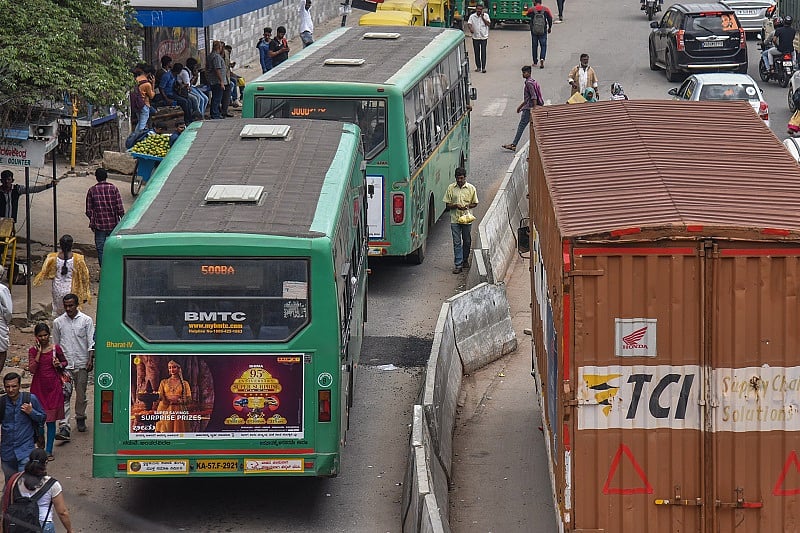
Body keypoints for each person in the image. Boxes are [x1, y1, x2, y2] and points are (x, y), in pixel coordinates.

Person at [53, 294, 95, 439]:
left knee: (81, 394)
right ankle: (64, 426)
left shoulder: (86, 321)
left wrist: (90, 359)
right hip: (65, 366)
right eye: (66, 306)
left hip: (82, 363)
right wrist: (57, 363)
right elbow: (56, 345)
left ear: (76, 305)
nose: (68, 308)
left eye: (71, 305)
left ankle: (80, 417)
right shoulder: (58, 322)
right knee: (64, 395)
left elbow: (91, 342)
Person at [2, 448, 74, 533]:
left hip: (21, 525)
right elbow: (62, 512)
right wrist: (69, 530)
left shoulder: (16, 480)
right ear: (46, 462)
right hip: (43, 526)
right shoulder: (53, 485)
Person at [28, 324, 67, 460]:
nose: (43, 338)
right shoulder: (32, 351)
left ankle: (49, 450)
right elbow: (32, 369)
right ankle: (41, 447)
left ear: (49, 335)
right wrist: (39, 353)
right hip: (38, 390)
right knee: (39, 422)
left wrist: (59, 364)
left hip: (53, 388)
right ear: (36, 337)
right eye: (40, 336)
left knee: (51, 421)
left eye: (45, 335)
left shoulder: (56, 349)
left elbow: (65, 362)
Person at [0, 372, 45, 481]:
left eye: (14, 386)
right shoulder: (2, 403)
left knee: (24, 483)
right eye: (8, 387)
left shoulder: (30, 399)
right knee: (10, 484)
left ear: (19, 386)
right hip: (7, 453)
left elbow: (42, 418)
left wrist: (31, 412)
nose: (11, 390)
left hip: (25, 451)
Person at [33, 234, 91, 317]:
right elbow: (85, 276)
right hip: (71, 289)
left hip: (57, 290)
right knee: (71, 313)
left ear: (60, 245)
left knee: (58, 313)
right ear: (72, 245)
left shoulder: (52, 257)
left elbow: (47, 273)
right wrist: (85, 294)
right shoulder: (78, 258)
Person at [85, 168, 124, 267]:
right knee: (114, 248)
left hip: (99, 226)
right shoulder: (113, 188)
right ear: (106, 177)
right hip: (113, 224)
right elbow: (120, 208)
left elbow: (89, 211)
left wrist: (93, 221)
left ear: (96, 178)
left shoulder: (92, 191)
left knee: (101, 250)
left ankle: (104, 271)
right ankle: (114, 267)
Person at [443, 168, 478, 274]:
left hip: (467, 219)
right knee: (457, 242)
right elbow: (447, 205)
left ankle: (465, 259)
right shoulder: (451, 188)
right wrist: (455, 206)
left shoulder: (471, 188)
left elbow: (475, 203)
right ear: (455, 178)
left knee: (467, 241)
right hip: (455, 219)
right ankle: (458, 264)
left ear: (465, 177)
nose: (459, 180)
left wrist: (467, 206)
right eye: (458, 178)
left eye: (461, 178)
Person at [502, 65, 543, 152]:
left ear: (529, 73)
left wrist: (534, 109)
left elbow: (533, 96)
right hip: (529, 107)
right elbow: (527, 98)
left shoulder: (529, 83)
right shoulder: (532, 81)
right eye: (523, 73)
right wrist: (520, 107)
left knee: (521, 126)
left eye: (524, 72)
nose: (523, 74)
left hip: (529, 109)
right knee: (534, 126)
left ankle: (514, 144)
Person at [154, 360, 192, 433]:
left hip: (179, 410)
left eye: (174, 367)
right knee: (164, 431)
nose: (172, 369)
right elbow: (160, 395)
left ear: (179, 368)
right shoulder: (163, 382)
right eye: (170, 367)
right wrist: (166, 399)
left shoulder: (185, 383)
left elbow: (189, 399)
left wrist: (180, 401)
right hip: (165, 409)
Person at [525, 0, 552, 69]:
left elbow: (527, 15)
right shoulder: (546, 9)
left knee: (534, 45)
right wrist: (550, 27)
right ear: (541, 2)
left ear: (535, 2)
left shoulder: (531, 9)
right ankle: (542, 58)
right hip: (543, 30)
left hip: (534, 30)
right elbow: (550, 18)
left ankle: (535, 62)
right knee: (543, 45)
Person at [131, 64, 156, 133]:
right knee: (142, 125)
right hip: (144, 105)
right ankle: (137, 138)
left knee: (140, 123)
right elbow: (151, 96)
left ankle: (135, 136)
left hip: (137, 104)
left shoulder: (136, 79)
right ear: (150, 74)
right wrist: (153, 84)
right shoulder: (147, 84)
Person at [467, 4, 491, 73]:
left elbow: (488, 24)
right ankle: (478, 67)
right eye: (478, 9)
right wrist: (471, 28)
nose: (479, 11)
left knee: (483, 52)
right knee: (476, 53)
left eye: (480, 9)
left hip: (483, 37)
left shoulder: (486, 16)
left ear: (482, 10)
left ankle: (483, 68)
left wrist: (483, 18)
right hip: (476, 37)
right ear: (476, 9)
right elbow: (469, 23)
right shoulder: (472, 16)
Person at [206, 41, 227, 120]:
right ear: (219, 47)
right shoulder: (216, 57)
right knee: (217, 98)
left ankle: (215, 113)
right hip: (217, 81)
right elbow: (217, 69)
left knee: (215, 97)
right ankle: (215, 114)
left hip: (212, 80)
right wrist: (221, 81)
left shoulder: (210, 56)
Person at [0, 266, 11, 373]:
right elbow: (8, 310)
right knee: (2, 350)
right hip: (0, 322)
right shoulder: (2, 289)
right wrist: (6, 322)